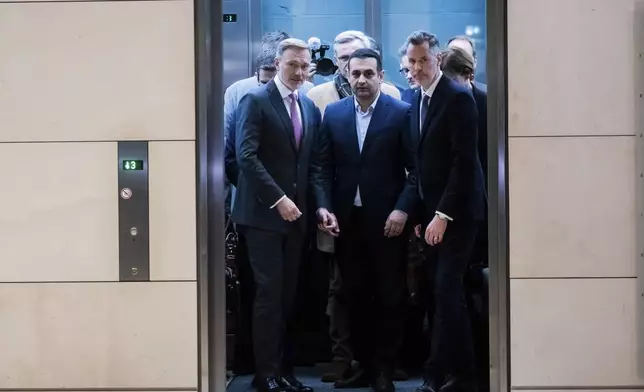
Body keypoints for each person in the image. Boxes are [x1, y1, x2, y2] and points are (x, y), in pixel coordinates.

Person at [233, 37, 336, 392]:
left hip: (298, 218)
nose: (300, 72)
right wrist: (278, 199)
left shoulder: (308, 107)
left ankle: (285, 372)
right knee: (269, 295)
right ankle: (266, 376)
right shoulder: (255, 100)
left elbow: (315, 166)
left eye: (305, 66)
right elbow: (246, 157)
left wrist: (321, 205)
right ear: (278, 64)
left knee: (290, 296)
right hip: (262, 217)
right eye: (293, 64)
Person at [317, 48, 418, 392]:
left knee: (389, 297)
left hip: (389, 222)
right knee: (354, 297)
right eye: (355, 73)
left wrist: (403, 208)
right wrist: (323, 207)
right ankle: (363, 365)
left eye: (368, 74)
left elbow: (416, 171)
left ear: (381, 75)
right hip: (347, 221)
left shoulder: (401, 112)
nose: (361, 80)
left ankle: (385, 370)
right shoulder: (333, 113)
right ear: (346, 73)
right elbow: (322, 168)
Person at [405, 31, 485, 392]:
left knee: (446, 290)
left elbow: (463, 163)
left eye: (424, 60)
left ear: (438, 59)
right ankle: (458, 371)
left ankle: (443, 374)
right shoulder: (416, 98)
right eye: (413, 61)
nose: (418, 67)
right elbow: (421, 164)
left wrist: (442, 216)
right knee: (442, 293)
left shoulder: (456, 98)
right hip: (433, 214)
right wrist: (424, 216)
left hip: (459, 214)